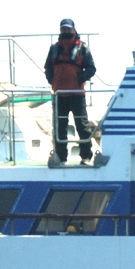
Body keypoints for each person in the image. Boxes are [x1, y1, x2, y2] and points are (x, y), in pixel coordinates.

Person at [44, 18, 97, 165]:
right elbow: (48, 68)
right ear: (60, 30)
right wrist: (51, 80)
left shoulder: (82, 48)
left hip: (77, 94)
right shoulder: (54, 49)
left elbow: (91, 69)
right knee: (59, 127)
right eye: (63, 29)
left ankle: (86, 156)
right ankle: (61, 157)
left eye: (68, 29)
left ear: (73, 29)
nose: (66, 31)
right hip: (59, 95)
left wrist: (79, 79)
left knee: (82, 126)